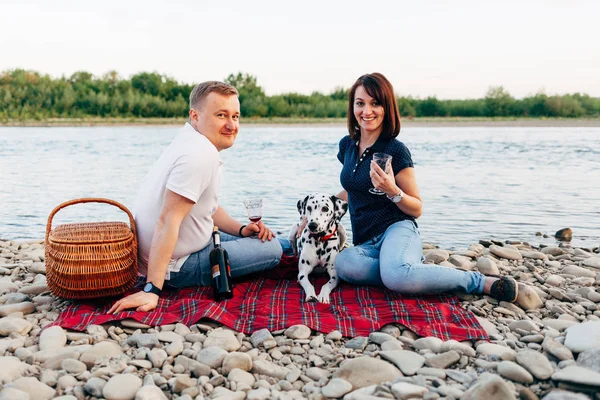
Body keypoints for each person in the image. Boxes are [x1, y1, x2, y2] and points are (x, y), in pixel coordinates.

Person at [330, 72, 518, 302]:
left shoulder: (396, 150)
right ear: (352, 107)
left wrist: (393, 191)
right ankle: (405, 271)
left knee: (395, 277)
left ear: (386, 108)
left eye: (375, 103)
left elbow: (416, 208)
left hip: (397, 230)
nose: (366, 111)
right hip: (366, 242)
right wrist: (315, 214)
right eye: (360, 103)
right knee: (344, 263)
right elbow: (353, 189)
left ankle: (478, 282)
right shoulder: (347, 145)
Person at [109, 81, 290, 314]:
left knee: (264, 237)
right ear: (195, 115)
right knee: (273, 249)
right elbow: (167, 221)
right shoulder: (198, 156)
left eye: (235, 116)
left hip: (187, 245)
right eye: (221, 115)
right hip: (176, 265)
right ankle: (305, 243)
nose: (231, 125)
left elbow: (208, 207)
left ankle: (299, 240)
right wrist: (152, 289)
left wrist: (242, 229)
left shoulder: (190, 141)